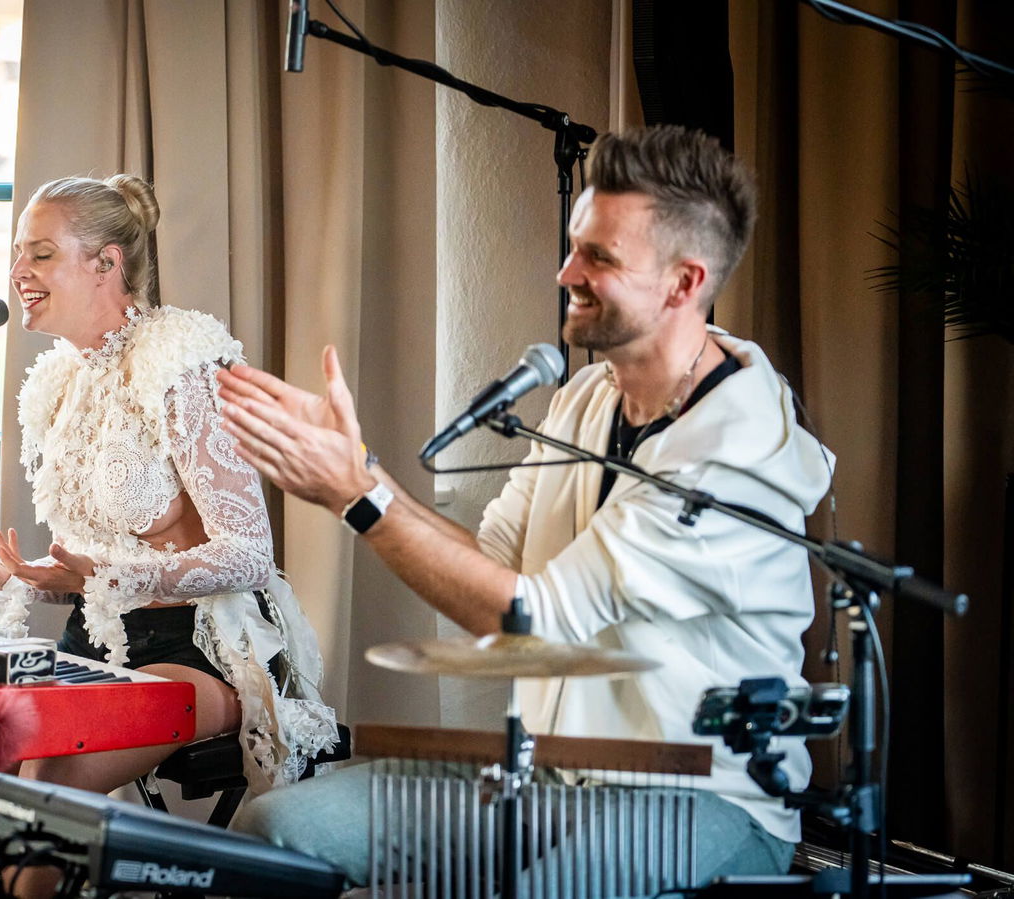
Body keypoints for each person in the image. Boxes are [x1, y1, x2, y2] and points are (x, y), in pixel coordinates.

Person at [216, 126, 833, 888]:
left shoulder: (732, 450)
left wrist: (358, 495)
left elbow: (527, 617)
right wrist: (365, 468)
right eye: (576, 247)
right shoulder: (585, 396)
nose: (565, 271)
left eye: (599, 257)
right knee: (270, 829)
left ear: (683, 282)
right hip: (550, 779)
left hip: (700, 798)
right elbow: (495, 561)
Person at [0, 174, 338, 803]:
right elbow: (90, 565)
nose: (17, 271)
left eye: (40, 253)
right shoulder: (58, 383)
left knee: (44, 789)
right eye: (16, 254)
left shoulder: (181, 367)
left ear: (106, 264)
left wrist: (105, 580)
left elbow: (249, 554)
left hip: (199, 649)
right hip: (95, 643)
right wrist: (14, 575)